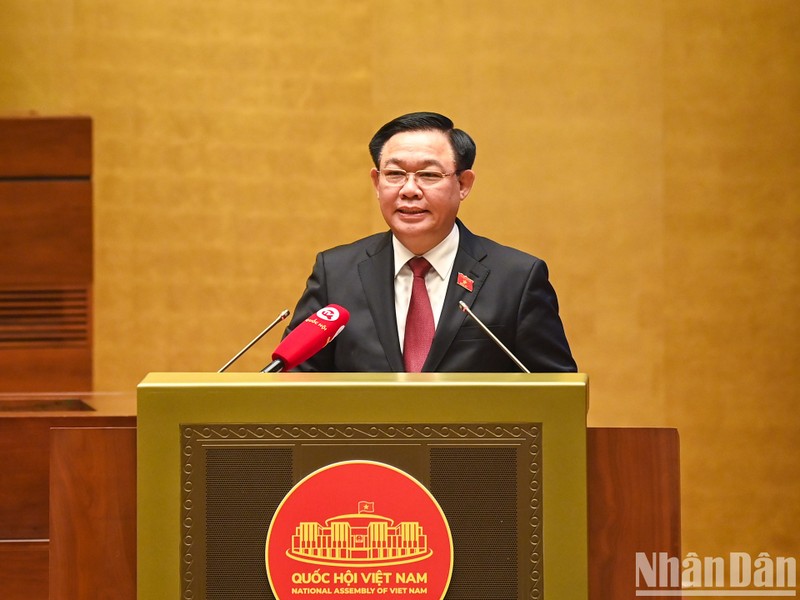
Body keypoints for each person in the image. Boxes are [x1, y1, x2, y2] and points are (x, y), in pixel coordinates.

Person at [283, 111, 576, 373]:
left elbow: (558, 396)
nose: (409, 190)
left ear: (463, 184)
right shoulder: (335, 273)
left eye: (429, 175)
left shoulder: (516, 279)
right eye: (395, 174)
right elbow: (291, 384)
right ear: (376, 182)